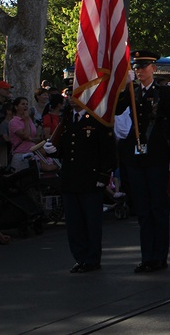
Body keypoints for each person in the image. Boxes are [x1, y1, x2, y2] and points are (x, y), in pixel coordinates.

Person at [114, 49, 170, 272]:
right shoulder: (132, 92)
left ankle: (160, 255)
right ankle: (147, 256)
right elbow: (116, 109)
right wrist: (124, 87)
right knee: (142, 209)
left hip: (157, 156)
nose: (139, 70)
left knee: (158, 207)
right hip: (136, 158)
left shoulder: (163, 93)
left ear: (153, 68)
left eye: (143, 67)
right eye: (137, 67)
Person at [43, 102, 116, 272]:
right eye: (70, 95)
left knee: (91, 222)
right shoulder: (68, 119)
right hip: (70, 178)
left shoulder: (97, 119)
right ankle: (80, 257)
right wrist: (53, 149)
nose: (71, 99)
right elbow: (64, 149)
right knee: (74, 223)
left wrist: (104, 175)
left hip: (90, 178)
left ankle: (92, 259)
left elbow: (108, 150)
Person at [7, 96, 55, 173]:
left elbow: (34, 134)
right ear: (16, 107)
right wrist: (26, 121)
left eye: (26, 104)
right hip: (22, 154)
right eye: (23, 104)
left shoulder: (29, 119)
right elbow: (25, 135)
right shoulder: (14, 122)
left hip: (33, 151)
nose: (25, 106)